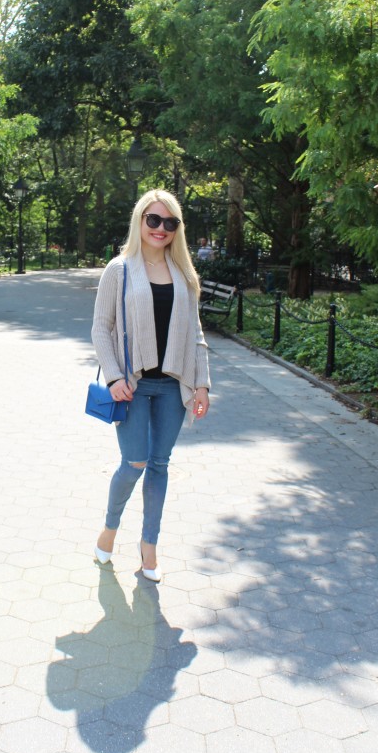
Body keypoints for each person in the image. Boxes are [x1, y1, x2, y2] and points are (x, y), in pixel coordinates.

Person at [91, 189, 211, 582]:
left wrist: (203, 385)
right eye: (153, 220)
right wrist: (113, 376)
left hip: (173, 386)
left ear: (178, 229)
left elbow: (196, 334)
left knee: (159, 465)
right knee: (135, 463)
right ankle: (110, 527)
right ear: (140, 221)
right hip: (134, 386)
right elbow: (101, 328)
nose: (161, 228)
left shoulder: (184, 275)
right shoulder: (120, 269)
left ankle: (149, 547)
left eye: (170, 222)